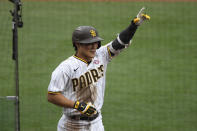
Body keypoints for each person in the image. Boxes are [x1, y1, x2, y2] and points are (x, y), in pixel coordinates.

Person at [47, 7, 150, 131]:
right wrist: (77, 105)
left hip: (96, 123)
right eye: (89, 43)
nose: (93, 46)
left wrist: (133, 26)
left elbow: (120, 42)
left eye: (95, 42)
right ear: (78, 44)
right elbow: (52, 95)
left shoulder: (101, 55)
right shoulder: (66, 67)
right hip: (71, 125)